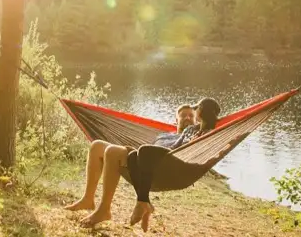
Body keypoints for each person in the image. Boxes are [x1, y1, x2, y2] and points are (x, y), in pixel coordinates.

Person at [65, 98, 220, 230]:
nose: (187, 117)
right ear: (175, 121)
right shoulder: (164, 135)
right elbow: (147, 150)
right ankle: (90, 200)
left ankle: (126, 205)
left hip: (170, 167)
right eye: (183, 115)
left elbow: (209, 125)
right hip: (145, 161)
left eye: (191, 115)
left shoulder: (195, 133)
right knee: (99, 147)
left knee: (128, 151)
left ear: (197, 119)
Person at [126, 97, 221, 231]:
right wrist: (162, 149)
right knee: (132, 156)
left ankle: (142, 202)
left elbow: (207, 151)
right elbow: (176, 145)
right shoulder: (190, 129)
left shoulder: (211, 134)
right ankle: (144, 201)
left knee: (144, 150)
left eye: (197, 109)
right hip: (173, 155)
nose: (194, 113)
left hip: (184, 165)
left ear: (200, 112)